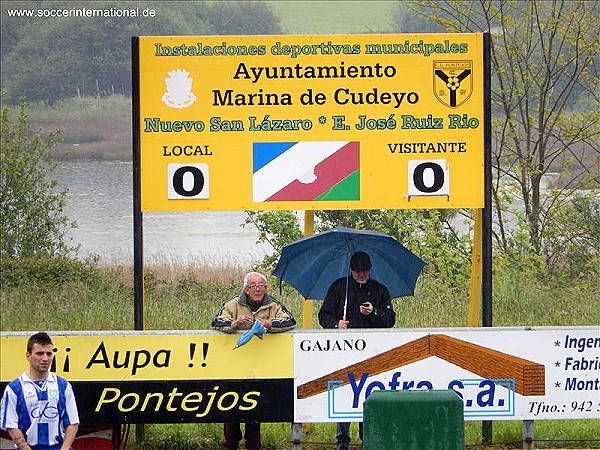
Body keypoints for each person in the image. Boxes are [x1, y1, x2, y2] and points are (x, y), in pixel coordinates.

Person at [318, 251, 395, 450]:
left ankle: (367, 438)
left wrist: (374, 312)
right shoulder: (338, 288)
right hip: (343, 352)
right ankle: (342, 440)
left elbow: (390, 320)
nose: (361, 275)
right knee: (343, 393)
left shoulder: (380, 290)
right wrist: (336, 324)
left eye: (364, 271)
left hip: (372, 352)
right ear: (351, 270)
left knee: (368, 395)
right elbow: (323, 315)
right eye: (357, 271)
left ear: (370, 270)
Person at [212, 271, 296, 450]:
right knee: (231, 409)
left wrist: (269, 324)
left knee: (254, 411)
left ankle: (253, 446)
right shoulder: (232, 304)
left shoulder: (274, 304)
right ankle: (231, 444)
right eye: (253, 286)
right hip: (233, 367)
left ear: (266, 288)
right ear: (246, 289)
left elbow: (290, 321)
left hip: (260, 368)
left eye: (261, 286)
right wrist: (234, 324)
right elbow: (217, 322)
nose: (258, 289)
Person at [0, 332, 80, 450]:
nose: (45, 358)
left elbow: (72, 423)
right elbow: (11, 426)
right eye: (39, 353)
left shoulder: (63, 386)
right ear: (28, 355)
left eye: (49, 354)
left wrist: (64, 448)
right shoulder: (14, 388)